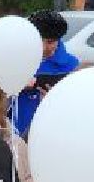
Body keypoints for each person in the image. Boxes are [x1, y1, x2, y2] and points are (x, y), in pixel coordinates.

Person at [12, 11, 78, 139]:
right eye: (39, 41)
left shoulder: (71, 65)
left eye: (50, 42)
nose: (44, 47)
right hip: (16, 132)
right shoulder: (14, 61)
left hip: (52, 134)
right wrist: (16, 86)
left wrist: (55, 98)